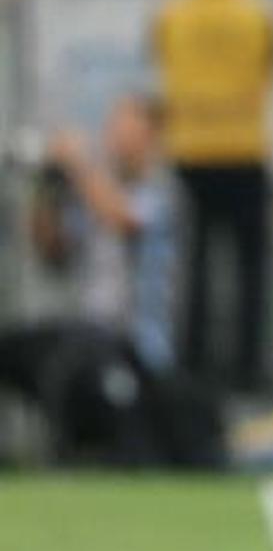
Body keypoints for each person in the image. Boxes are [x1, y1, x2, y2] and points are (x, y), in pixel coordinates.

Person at [152, 0, 273, 394]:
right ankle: (249, 368)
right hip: (246, 148)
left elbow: (159, 59)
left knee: (194, 269)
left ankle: (192, 367)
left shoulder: (171, 13)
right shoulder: (259, 13)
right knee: (250, 270)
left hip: (190, 150)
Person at [28, 95, 182, 374]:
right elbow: (52, 248)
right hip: (90, 337)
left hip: (143, 348)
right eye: (114, 126)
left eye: (127, 128)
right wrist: (47, 186)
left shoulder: (165, 188)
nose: (115, 136)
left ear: (151, 136)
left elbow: (121, 219)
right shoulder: (93, 192)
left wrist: (79, 162)